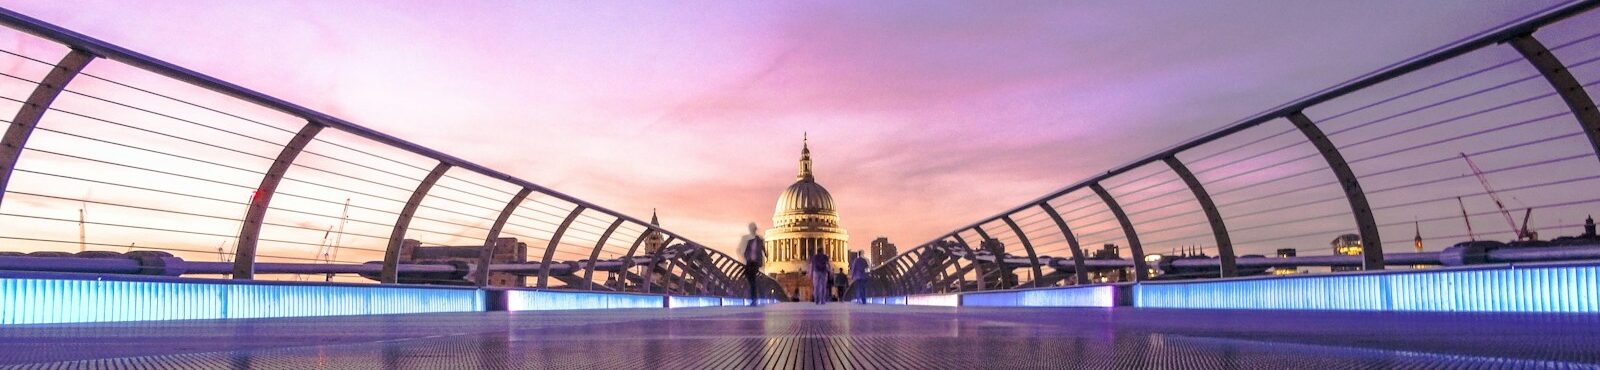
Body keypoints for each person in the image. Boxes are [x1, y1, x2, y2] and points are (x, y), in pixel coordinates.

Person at [739, 223, 765, 307]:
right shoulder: (748, 240)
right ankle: (754, 297)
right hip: (749, 262)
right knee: (750, 280)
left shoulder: (759, 240)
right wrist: (746, 258)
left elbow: (764, 251)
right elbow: (744, 251)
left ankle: (754, 299)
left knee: (752, 281)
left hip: (755, 263)